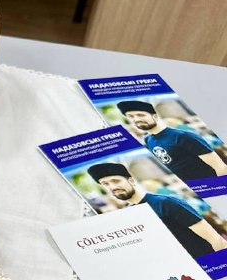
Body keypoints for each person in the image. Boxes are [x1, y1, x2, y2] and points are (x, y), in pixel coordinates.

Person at [88, 162, 227, 259]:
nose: (112, 187)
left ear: (131, 181)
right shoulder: (130, 214)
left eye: (116, 181)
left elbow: (216, 240)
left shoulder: (166, 202)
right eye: (105, 184)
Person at [117, 100, 227, 180]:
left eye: (140, 115)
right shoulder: (148, 140)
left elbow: (220, 167)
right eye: (130, 116)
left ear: (155, 116)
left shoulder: (182, 136)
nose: (136, 119)